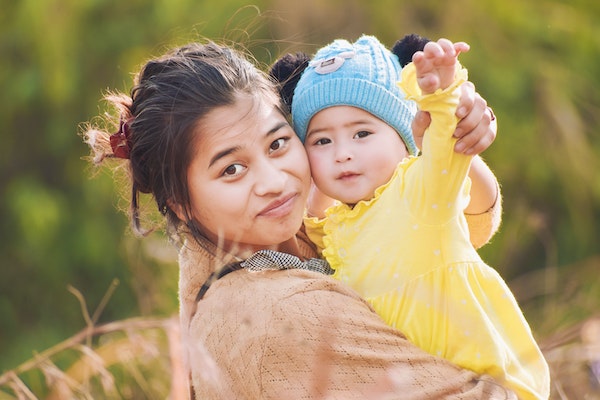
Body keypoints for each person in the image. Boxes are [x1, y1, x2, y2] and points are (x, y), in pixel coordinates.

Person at [83, 40, 517, 399]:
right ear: (180, 203)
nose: (274, 182)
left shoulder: (286, 238)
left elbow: (452, 232)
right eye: (231, 169)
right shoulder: (274, 318)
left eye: (276, 145)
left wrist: (453, 145)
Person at [285, 34, 550, 399]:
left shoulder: (420, 191)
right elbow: (313, 221)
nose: (342, 153)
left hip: (486, 383)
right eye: (322, 142)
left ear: (405, 137)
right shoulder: (337, 225)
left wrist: (441, 93)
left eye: (362, 133)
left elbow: (442, 141)